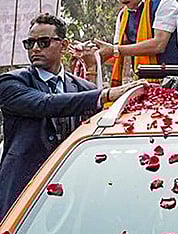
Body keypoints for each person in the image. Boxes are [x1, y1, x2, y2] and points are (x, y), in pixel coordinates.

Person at [0, 14, 141, 217]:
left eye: (43, 42)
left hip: (73, 194)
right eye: (30, 43)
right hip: (23, 190)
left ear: (63, 45)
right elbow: (45, 103)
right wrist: (105, 94)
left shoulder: (83, 88)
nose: (35, 49)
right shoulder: (11, 83)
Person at [95, 0, 178, 85]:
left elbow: (159, 44)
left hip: (172, 80)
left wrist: (115, 50)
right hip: (142, 82)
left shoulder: (165, 3)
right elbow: (120, 52)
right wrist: (96, 53)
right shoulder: (123, 15)